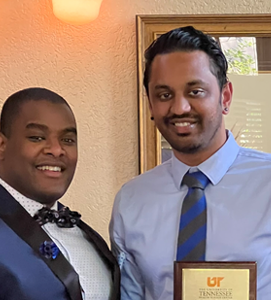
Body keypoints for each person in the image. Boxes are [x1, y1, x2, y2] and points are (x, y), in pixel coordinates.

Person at [109, 26, 271, 299]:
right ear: (150, 104)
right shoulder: (131, 201)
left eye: (195, 91)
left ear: (225, 97)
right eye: (164, 95)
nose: (180, 108)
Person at [0, 87, 120, 300]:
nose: (56, 150)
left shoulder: (88, 236)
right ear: (0, 146)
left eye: (68, 140)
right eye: (37, 137)